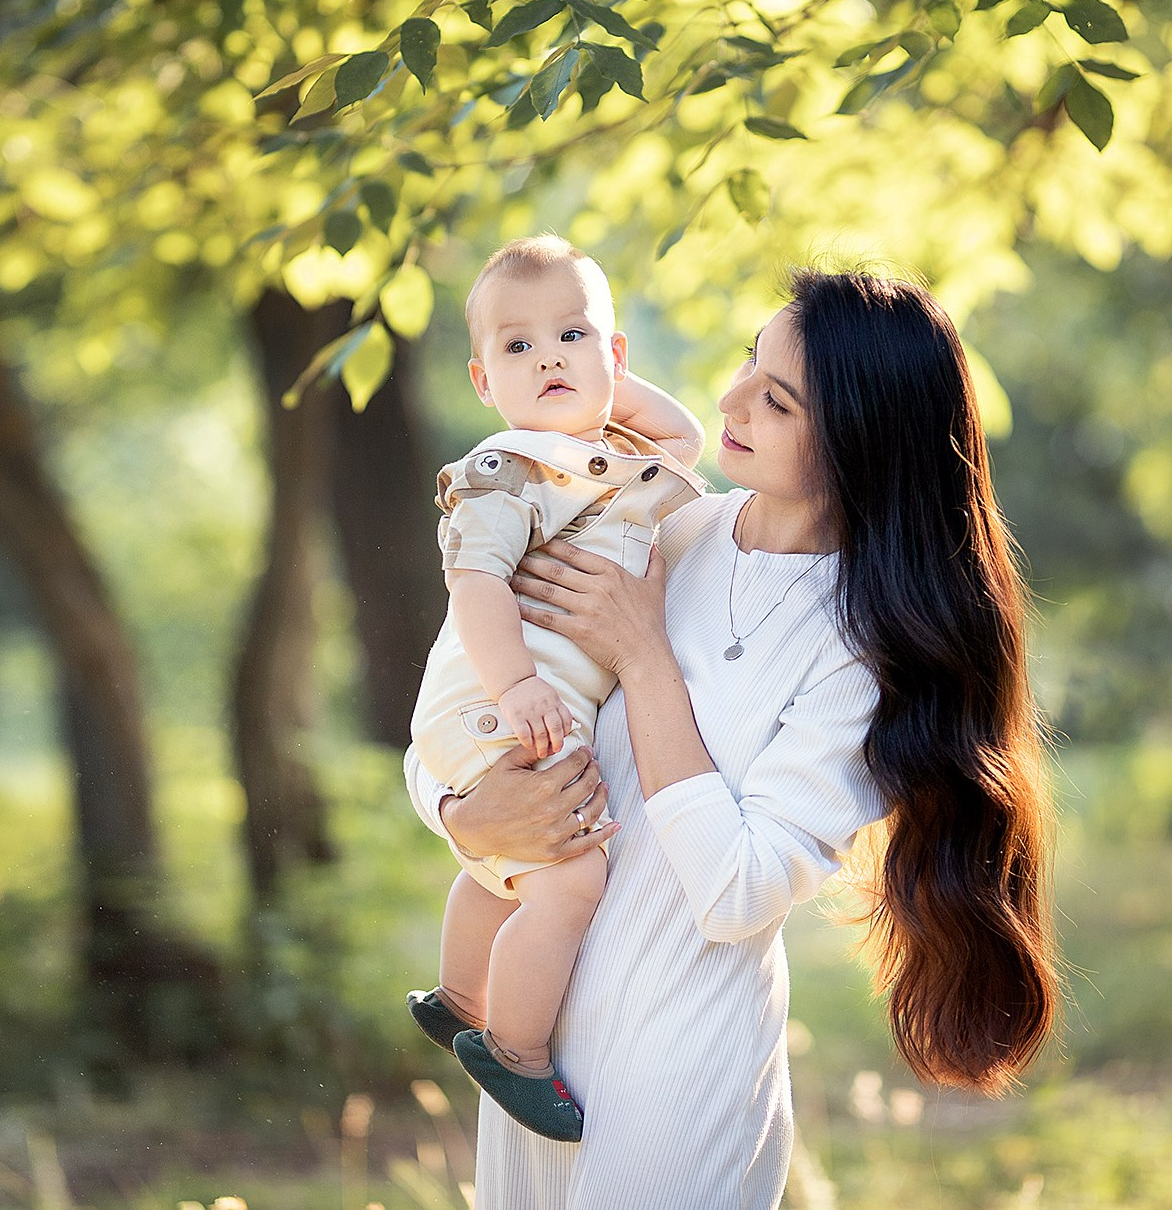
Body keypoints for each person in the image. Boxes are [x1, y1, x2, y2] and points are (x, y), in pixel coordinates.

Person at [405, 268, 1059, 1208]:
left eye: (777, 398)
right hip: (533, 1052)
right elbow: (455, 705)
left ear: (856, 442)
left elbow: (738, 889)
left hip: (680, 1070)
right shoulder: (651, 527)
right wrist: (465, 811)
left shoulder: (864, 648)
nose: (731, 399)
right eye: (750, 361)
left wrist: (643, 657)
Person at [406, 235, 706, 1141]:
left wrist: (603, 382)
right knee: (571, 875)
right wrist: (519, 683)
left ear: (614, 356)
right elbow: (475, 586)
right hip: (497, 696)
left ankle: (459, 997)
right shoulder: (509, 471)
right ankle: (516, 1050)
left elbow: (684, 441)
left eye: (572, 335)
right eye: (518, 347)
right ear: (481, 382)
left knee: (510, 864)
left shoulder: (597, 461)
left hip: (512, 704)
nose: (548, 359)